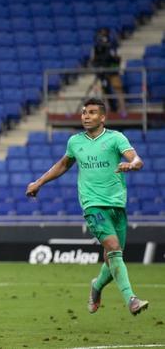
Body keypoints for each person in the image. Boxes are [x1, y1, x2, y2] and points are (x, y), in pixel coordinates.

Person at [26, 98, 148, 316]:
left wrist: (133, 164)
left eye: (91, 112)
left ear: (102, 117)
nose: (86, 116)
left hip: (117, 204)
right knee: (113, 247)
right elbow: (63, 164)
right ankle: (131, 299)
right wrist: (39, 182)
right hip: (93, 205)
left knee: (113, 258)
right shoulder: (75, 142)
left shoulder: (115, 138)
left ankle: (97, 286)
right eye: (84, 112)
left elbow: (135, 158)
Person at [90, 27, 127, 114]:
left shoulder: (112, 45)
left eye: (104, 33)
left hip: (113, 71)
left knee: (118, 89)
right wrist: (98, 68)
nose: (102, 35)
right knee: (104, 90)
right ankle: (107, 109)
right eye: (101, 33)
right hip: (102, 72)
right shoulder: (96, 47)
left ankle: (122, 108)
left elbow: (117, 59)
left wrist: (114, 67)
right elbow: (93, 60)